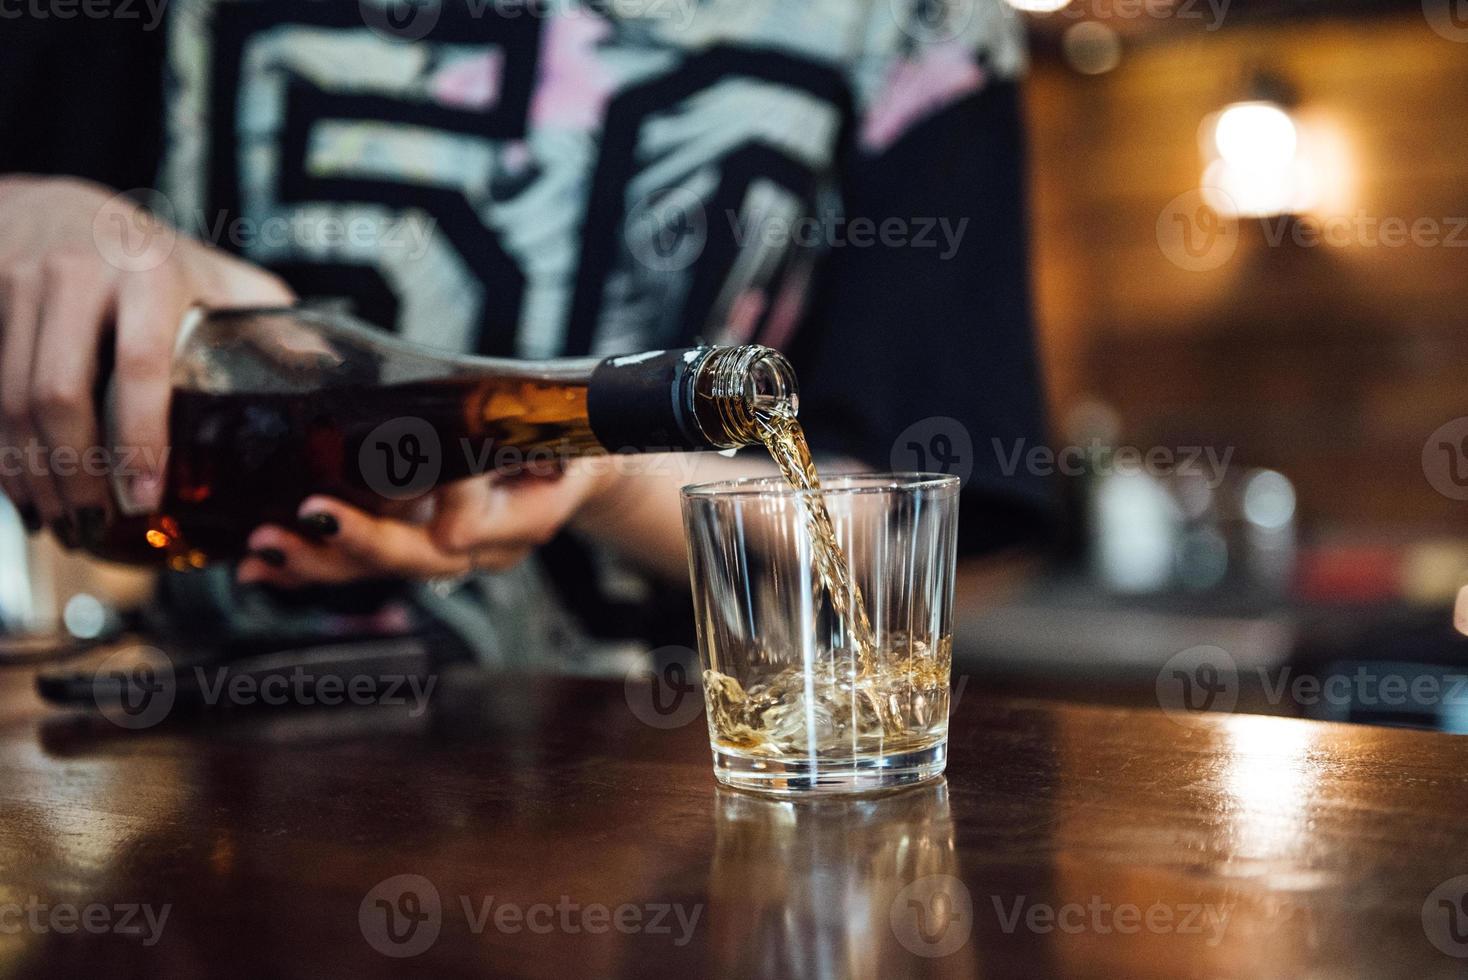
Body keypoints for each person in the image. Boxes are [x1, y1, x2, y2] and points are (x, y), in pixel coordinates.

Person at [0, 0, 1051, 666]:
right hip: (210, 795)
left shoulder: (921, 26)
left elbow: (908, 560)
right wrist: (22, 208)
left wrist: (608, 474)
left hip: (671, 831)